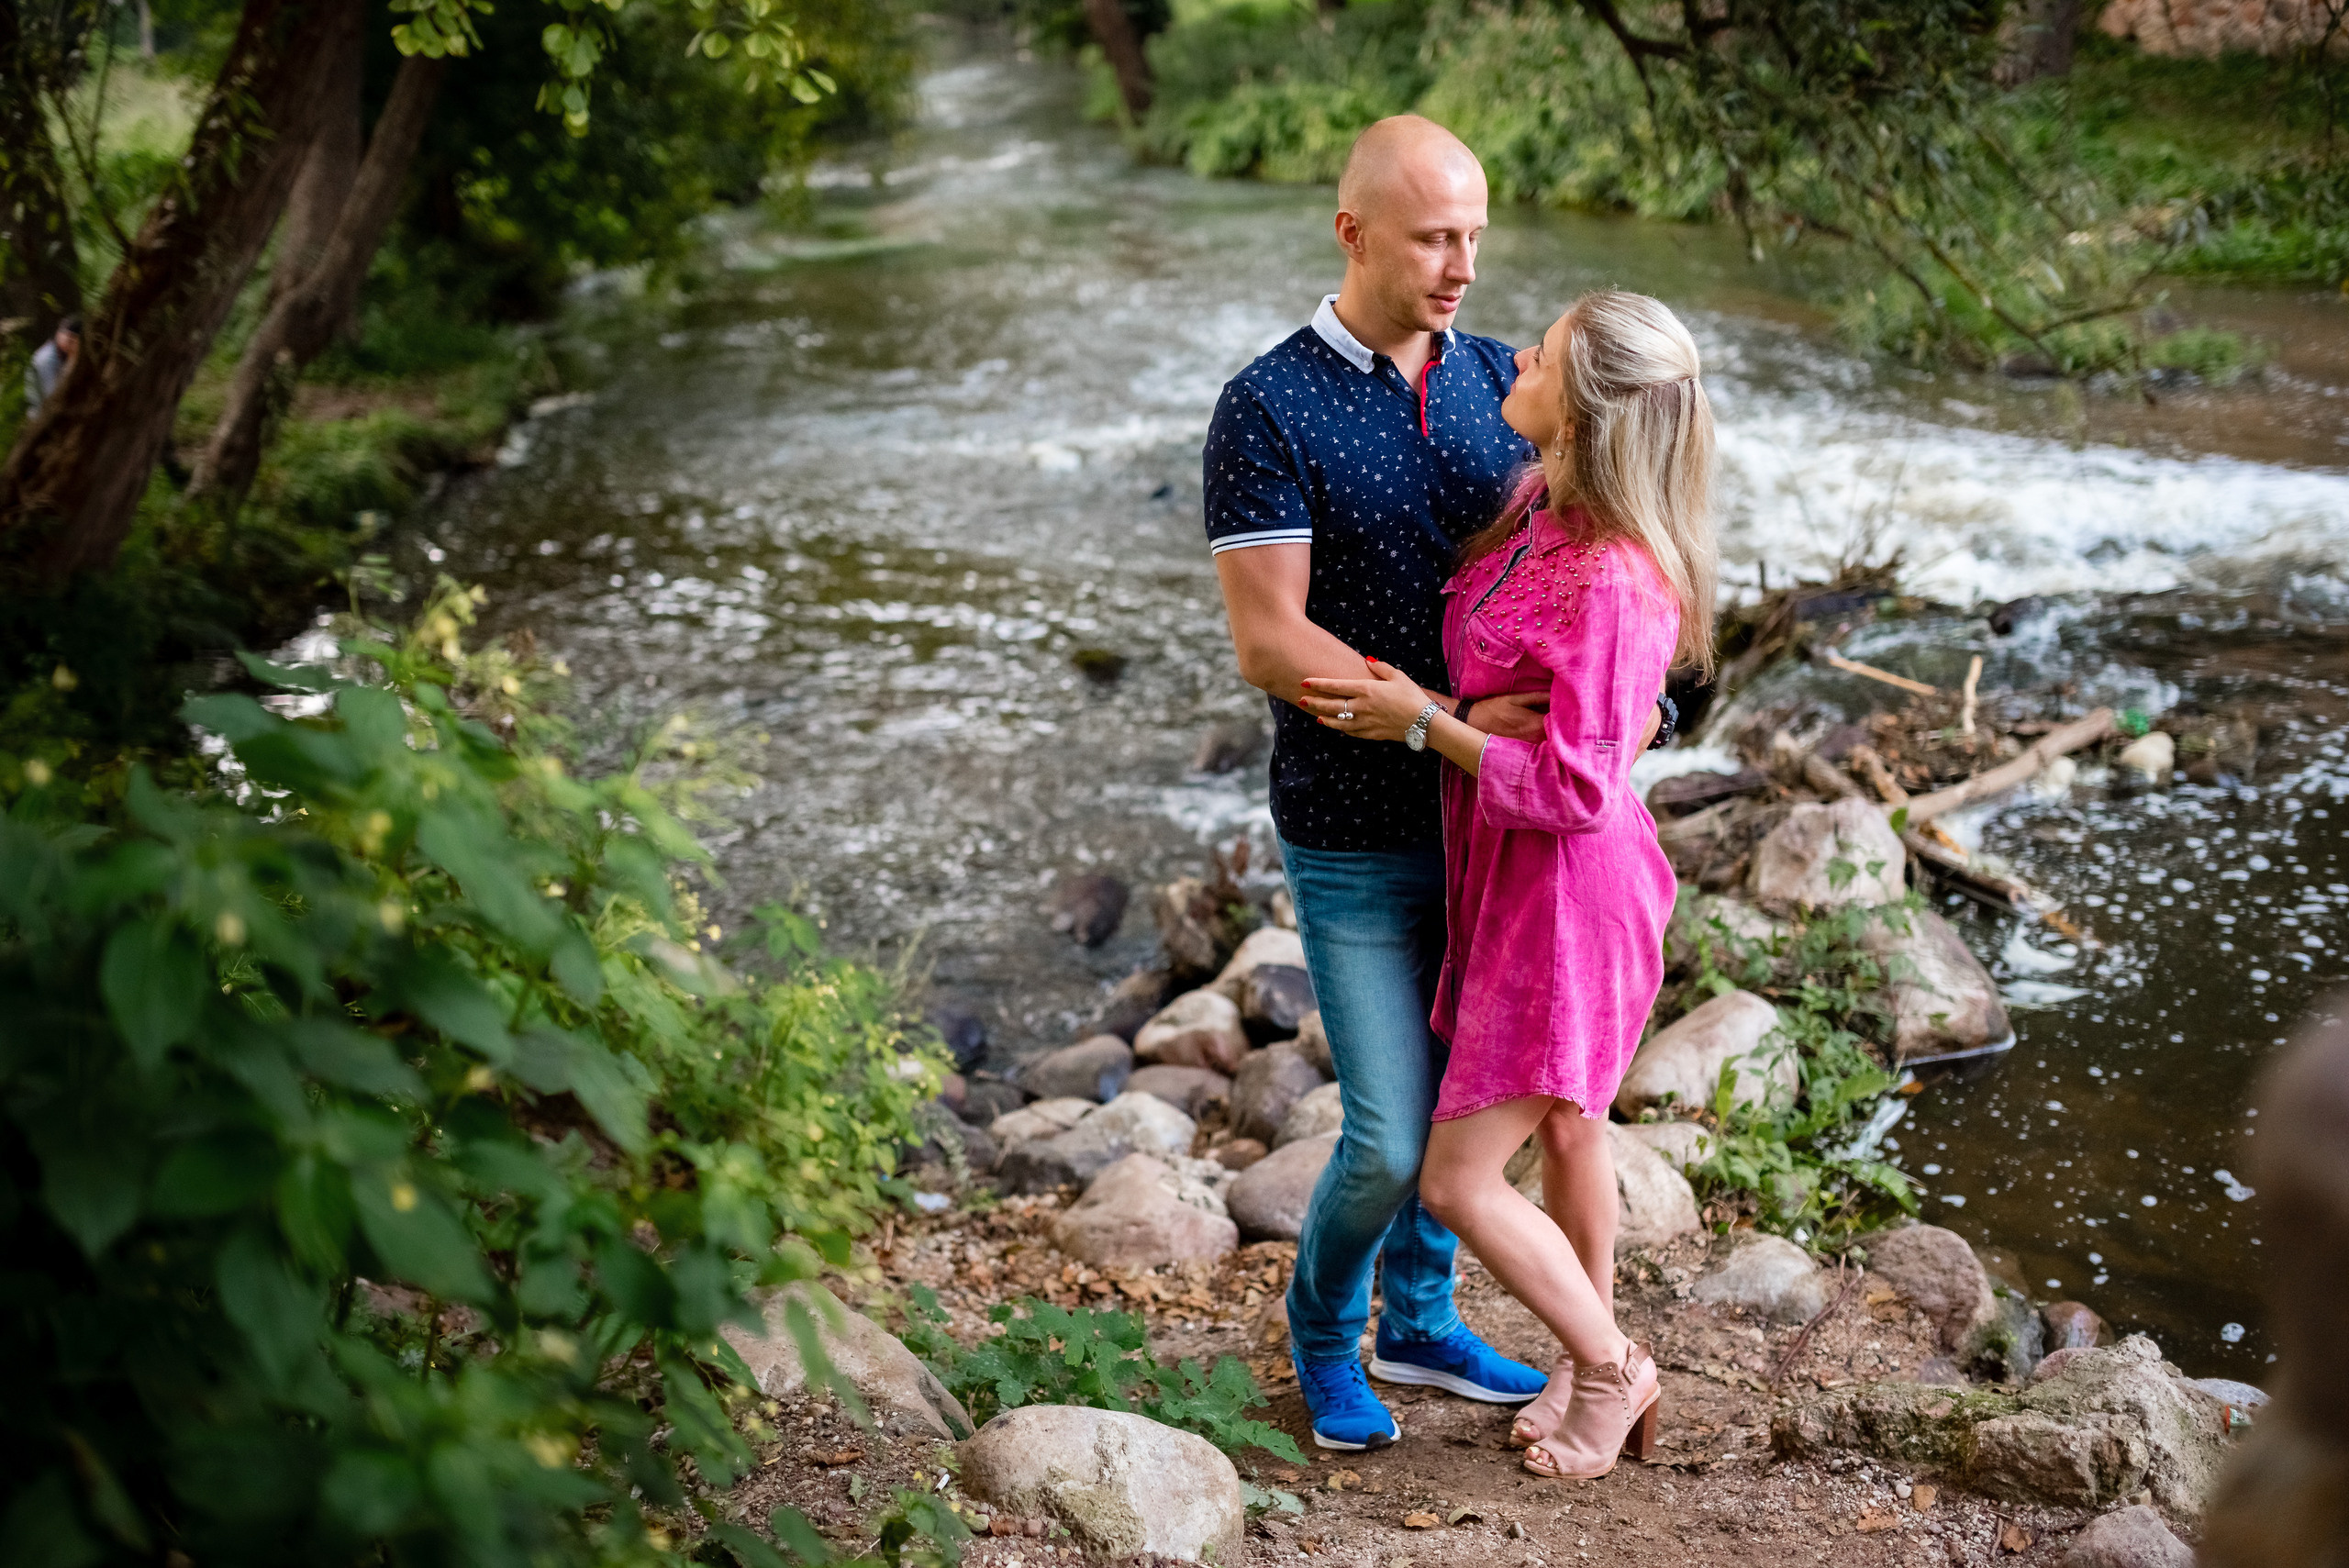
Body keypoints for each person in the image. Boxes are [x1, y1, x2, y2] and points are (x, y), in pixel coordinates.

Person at [1297, 290, 1718, 1480]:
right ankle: (1604, 1366)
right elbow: (1534, 706)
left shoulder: (1618, 579)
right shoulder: (1543, 506)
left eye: (1549, 351)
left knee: (1458, 1178)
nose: (1518, 352)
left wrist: (1428, 724)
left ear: (1582, 412)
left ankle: (1608, 1364)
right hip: (1517, 878)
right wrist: (1475, 712)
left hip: (1568, 896)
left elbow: (1580, 787)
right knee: (1577, 1137)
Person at [1203, 114, 1566, 1452]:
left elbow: (1578, 569)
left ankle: (1421, 1322)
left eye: (1474, 234)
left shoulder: (1503, 381)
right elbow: (1268, 639)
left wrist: (1623, 693)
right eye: (1433, 237)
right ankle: (1320, 1329)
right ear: (1351, 231)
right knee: (1391, 1138)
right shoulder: (1268, 404)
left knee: (1477, 1111)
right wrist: (1440, 718)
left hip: (1495, 826)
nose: (1463, 264)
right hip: (1353, 828)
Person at [24, 314, 79, 417]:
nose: (67, 340)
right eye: (65, 335)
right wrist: (73, 357)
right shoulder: (46, 358)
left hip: (54, 412)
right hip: (40, 415)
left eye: (72, 339)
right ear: (58, 333)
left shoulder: (61, 353)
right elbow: (54, 395)